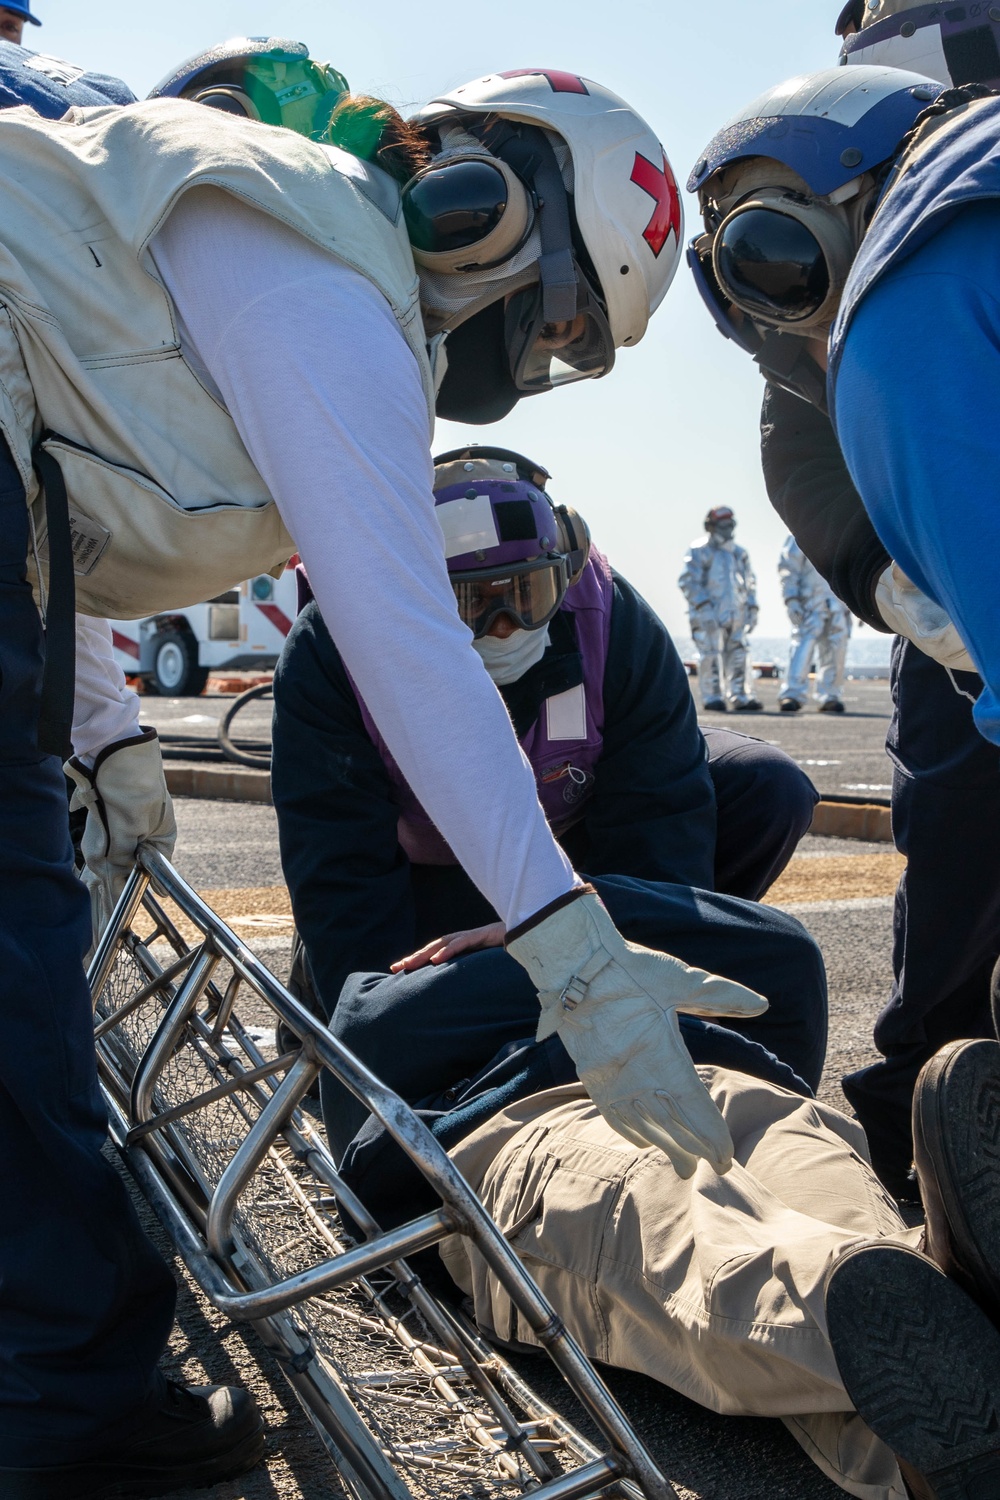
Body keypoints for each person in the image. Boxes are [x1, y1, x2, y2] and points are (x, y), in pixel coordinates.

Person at [0, 43, 769, 1496]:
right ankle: (64, 1401)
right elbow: (396, 622)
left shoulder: (279, 255)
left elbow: (38, 499)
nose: (535, 368)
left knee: (22, 950)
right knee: (12, 953)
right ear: (487, 201)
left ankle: (67, 1369)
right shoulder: (317, 242)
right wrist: (572, 948)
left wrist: (97, 731)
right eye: (557, 323)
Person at [272, 445, 824, 1142]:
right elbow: (339, 869)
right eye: (470, 603)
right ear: (412, 587)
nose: (502, 627)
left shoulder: (612, 619)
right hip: (423, 885)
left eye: (524, 595)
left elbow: (662, 819)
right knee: (382, 1019)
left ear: (561, 576)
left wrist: (643, 987)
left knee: (765, 786)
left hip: (572, 857)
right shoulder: (336, 645)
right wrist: (373, 1042)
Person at [328, 958, 1000, 1497]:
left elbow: (784, 956)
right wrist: (535, 932)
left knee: (872, 1244)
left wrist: (583, 904)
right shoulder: (394, 953)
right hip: (535, 1112)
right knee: (698, 1222)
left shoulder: (613, 844)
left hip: (733, 1082)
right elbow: (364, 1041)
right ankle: (936, 1313)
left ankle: (938, 1368)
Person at [686, 61, 1000, 1195]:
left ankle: (932, 1132)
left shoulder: (902, 303)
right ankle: (934, 1101)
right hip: (909, 610)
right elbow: (822, 501)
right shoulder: (964, 187)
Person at [678, 506, 761, 712]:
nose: (727, 529)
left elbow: (749, 582)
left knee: (740, 654)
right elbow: (688, 581)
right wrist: (703, 606)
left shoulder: (739, 553)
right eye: (722, 525)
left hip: (737, 614)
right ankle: (713, 697)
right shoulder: (698, 550)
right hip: (708, 614)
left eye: (730, 524)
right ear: (712, 526)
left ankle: (740, 696)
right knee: (710, 655)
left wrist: (752, 607)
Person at [777, 534, 850, 714]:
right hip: (808, 604)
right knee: (802, 648)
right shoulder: (800, 531)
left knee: (836, 650)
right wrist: (791, 599)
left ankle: (830, 696)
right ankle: (792, 694)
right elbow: (788, 567)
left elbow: (851, 569)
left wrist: (858, 605)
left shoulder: (843, 533)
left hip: (837, 604)